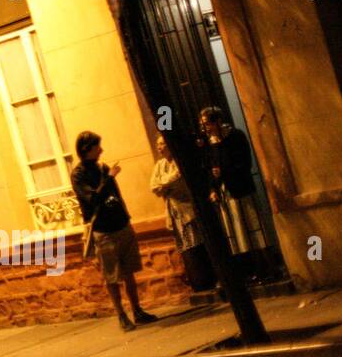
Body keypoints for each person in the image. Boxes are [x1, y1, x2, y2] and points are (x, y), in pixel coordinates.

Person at [72, 131, 158, 331]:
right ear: (87, 149)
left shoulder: (103, 167)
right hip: (104, 231)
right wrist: (109, 178)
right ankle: (121, 315)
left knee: (129, 272)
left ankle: (137, 311)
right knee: (112, 277)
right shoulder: (79, 174)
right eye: (97, 146)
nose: (101, 150)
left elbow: (116, 195)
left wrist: (126, 217)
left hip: (121, 225)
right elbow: (92, 199)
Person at [199, 107, 279, 283]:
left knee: (255, 229)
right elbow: (208, 169)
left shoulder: (235, 136)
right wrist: (213, 188)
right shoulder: (209, 143)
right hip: (225, 193)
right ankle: (249, 270)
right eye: (203, 125)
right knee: (237, 233)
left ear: (218, 121)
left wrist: (223, 172)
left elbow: (244, 163)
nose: (205, 128)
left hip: (241, 188)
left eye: (207, 124)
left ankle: (268, 268)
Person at [150, 134, 215, 291]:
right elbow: (153, 186)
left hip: (187, 207)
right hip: (174, 209)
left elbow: (178, 179)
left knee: (197, 240)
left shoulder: (179, 161)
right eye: (158, 144)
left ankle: (209, 278)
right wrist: (166, 185)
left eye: (162, 144)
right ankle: (198, 281)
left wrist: (164, 184)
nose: (159, 147)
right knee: (185, 244)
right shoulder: (160, 165)